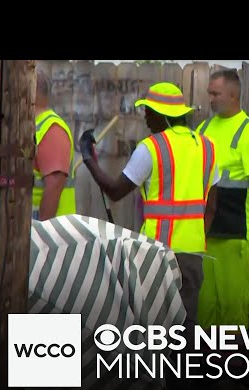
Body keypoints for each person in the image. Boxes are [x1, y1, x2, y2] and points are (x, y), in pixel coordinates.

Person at [79, 81, 219, 357]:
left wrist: (89, 159)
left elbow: (116, 191)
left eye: (150, 112)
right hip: (193, 256)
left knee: (154, 330)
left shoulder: (151, 148)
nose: (145, 117)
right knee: (186, 329)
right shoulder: (207, 148)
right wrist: (197, 241)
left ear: (164, 116)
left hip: (157, 256)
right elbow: (212, 206)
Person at [196, 69, 249, 331]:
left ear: (233, 95)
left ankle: (233, 366)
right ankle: (207, 365)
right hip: (207, 232)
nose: (211, 99)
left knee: (233, 307)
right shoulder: (203, 128)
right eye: (210, 94)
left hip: (237, 234)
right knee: (205, 306)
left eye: (216, 94)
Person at [33, 69, 76, 220]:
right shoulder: (31, 125)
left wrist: (41, 233)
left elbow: (54, 185)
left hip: (53, 233)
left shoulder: (51, 128)